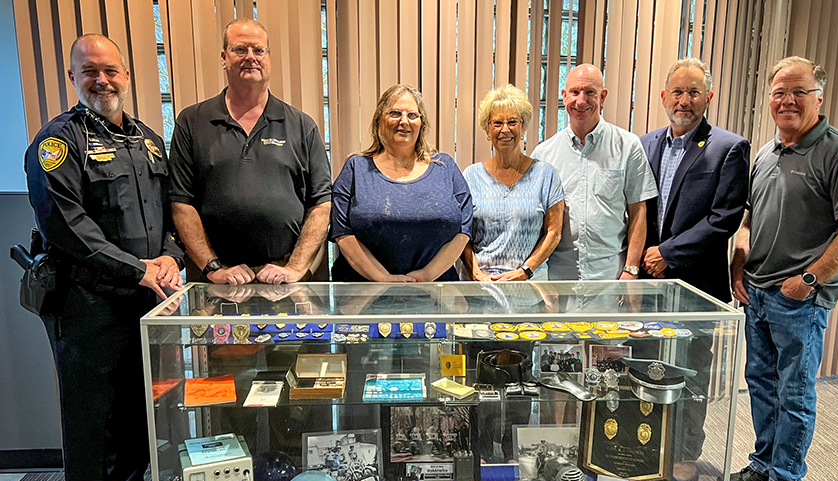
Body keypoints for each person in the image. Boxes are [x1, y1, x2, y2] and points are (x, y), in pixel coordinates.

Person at [24, 34, 184, 481]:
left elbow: (168, 214)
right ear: (74, 78)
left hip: (145, 300)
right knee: (90, 417)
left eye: (111, 70)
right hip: (85, 302)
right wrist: (141, 269)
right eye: (90, 71)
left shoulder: (148, 141)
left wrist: (167, 258)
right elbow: (68, 229)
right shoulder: (56, 144)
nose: (103, 80)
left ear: (128, 74)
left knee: (139, 406)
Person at [730, 56, 838, 481]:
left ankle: (785, 479)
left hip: (800, 300)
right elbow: (750, 220)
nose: (787, 100)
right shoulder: (766, 154)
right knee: (762, 385)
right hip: (757, 293)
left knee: (794, 392)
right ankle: (764, 463)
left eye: (799, 91)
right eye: (779, 92)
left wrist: (809, 280)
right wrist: (739, 265)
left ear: (819, 96)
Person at [639, 58, 750, 481]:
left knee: (691, 374)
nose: (685, 100)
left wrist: (668, 251)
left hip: (696, 284)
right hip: (647, 284)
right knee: (643, 365)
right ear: (664, 97)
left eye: (694, 92)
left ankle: (685, 452)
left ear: (709, 97)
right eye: (678, 92)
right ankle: (645, 444)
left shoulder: (727, 147)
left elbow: (724, 218)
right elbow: (638, 211)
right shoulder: (645, 144)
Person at [169, 18, 332, 285]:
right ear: (224, 57)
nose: (251, 58)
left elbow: (321, 204)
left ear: (269, 57)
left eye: (259, 50)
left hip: (286, 281)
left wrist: (295, 268)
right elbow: (180, 203)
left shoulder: (302, 125)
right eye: (240, 49)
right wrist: (213, 268)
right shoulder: (192, 121)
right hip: (217, 283)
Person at [330, 85, 472, 282]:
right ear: (379, 120)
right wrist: (382, 277)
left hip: (436, 294)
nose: (404, 121)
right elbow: (342, 231)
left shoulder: (445, 166)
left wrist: (427, 275)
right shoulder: (356, 168)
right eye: (395, 113)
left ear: (421, 123)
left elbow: (464, 228)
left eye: (412, 115)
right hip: (363, 295)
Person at [531, 64, 657, 280]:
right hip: (558, 281)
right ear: (564, 95)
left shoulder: (628, 146)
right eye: (574, 92)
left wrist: (631, 270)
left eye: (590, 92)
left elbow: (638, 211)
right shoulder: (544, 154)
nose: (581, 101)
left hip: (610, 279)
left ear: (603, 96)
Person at [461, 85, 565, 281]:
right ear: (487, 130)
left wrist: (525, 271)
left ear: (523, 127)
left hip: (530, 289)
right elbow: (462, 235)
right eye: (497, 123)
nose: (505, 129)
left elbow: (554, 232)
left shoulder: (546, 175)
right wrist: (475, 272)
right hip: (481, 290)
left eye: (512, 122)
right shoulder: (470, 176)